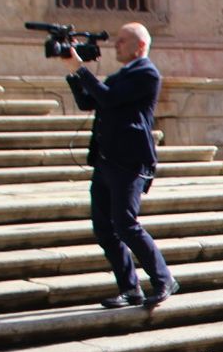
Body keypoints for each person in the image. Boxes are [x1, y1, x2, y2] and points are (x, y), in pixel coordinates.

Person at [62, 22, 176, 309]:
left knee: (126, 225)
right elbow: (89, 101)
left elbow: (109, 98)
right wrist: (73, 71)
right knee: (104, 228)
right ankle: (129, 288)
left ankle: (163, 279)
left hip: (129, 161)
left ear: (139, 46)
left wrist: (81, 68)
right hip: (106, 160)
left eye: (122, 41)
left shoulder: (147, 74)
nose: (116, 45)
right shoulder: (121, 75)